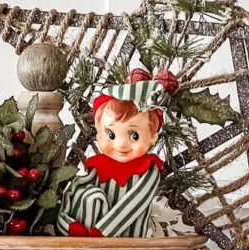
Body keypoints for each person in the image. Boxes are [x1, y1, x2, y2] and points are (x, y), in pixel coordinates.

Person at [57, 71, 172, 238]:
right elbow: (73, 191)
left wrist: (101, 233)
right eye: (111, 135)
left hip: (125, 243)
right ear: (99, 134)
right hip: (84, 242)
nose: (121, 144)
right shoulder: (99, 166)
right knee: (89, 195)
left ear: (153, 136)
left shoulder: (148, 169)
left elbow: (133, 203)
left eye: (134, 136)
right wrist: (67, 226)